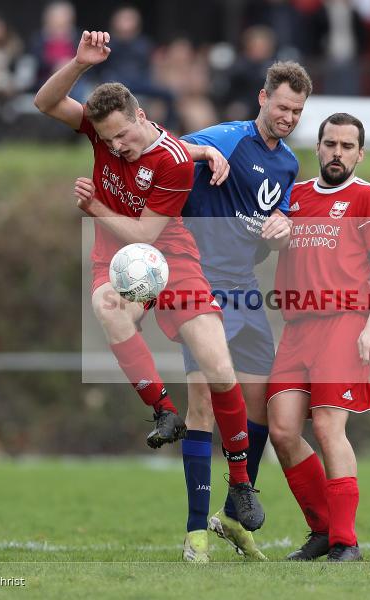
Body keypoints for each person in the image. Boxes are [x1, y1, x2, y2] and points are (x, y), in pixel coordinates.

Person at [33, 29, 264, 533]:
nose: (117, 147)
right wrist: (78, 64)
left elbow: (146, 233)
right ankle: (163, 411)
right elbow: (45, 101)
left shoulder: (173, 161)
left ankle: (242, 482)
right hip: (118, 257)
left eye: (123, 135)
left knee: (220, 369)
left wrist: (94, 206)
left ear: (141, 116)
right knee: (109, 308)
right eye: (108, 139)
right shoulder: (104, 132)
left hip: (170, 255)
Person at [175, 61, 312, 562]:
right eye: (282, 107)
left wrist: (284, 229)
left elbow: (271, 229)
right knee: (203, 407)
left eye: (297, 111)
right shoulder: (229, 138)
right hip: (201, 287)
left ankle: (234, 513)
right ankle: (195, 535)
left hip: (245, 290)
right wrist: (204, 150)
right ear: (262, 98)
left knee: (258, 404)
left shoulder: (289, 165)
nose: (289, 117)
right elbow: (164, 147)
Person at [266, 112, 370, 562]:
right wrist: (275, 232)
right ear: (317, 148)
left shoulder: (368, 199)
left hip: (345, 323)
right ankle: (322, 529)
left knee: (326, 425)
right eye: (330, 144)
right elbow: (270, 243)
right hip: (297, 327)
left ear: (360, 154)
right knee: (282, 431)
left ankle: (346, 541)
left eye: (346, 146)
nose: (337, 153)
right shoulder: (295, 196)